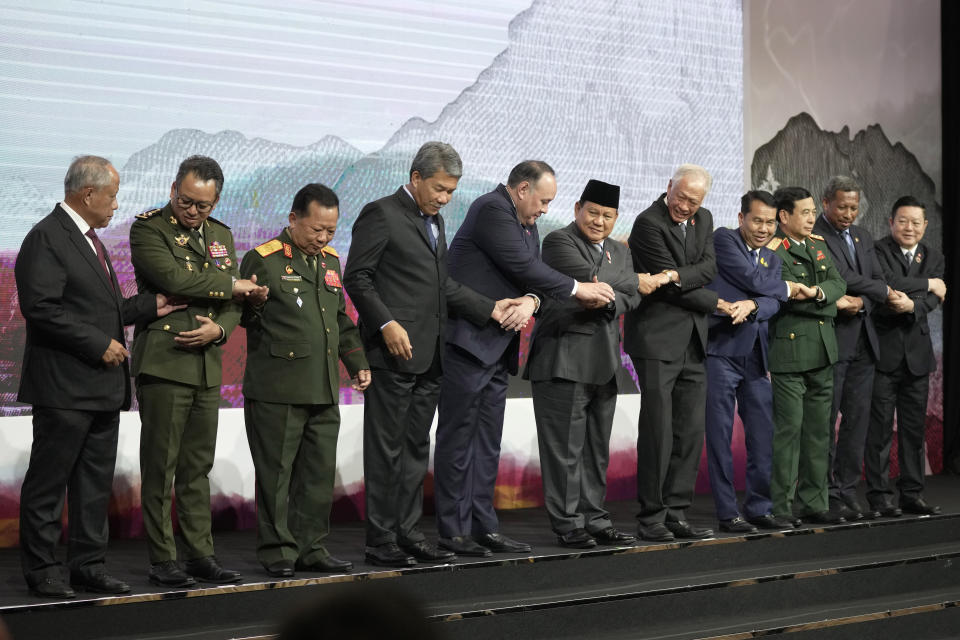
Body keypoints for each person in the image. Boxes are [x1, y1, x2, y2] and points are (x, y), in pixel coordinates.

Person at [343, 142, 517, 568]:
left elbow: (443, 287)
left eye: (451, 192)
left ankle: (407, 532)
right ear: (416, 177)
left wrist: (489, 308)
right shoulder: (381, 213)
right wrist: (385, 323)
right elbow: (358, 277)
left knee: (415, 448)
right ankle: (380, 539)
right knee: (387, 449)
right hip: (393, 354)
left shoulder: (435, 221)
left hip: (432, 356)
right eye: (439, 189)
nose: (444, 198)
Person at [16, 156, 182, 598]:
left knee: (93, 487)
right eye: (111, 197)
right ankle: (43, 570)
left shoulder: (91, 241)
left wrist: (151, 306)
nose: (115, 206)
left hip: (101, 391)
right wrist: (96, 343)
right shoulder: (47, 238)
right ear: (87, 194)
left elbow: (99, 310)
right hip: (65, 388)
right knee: (49, 485)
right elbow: (42, 308)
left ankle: (87, 565)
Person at [433, 161, 616, 557]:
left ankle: (484, 527)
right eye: (543, 200)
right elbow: (524, 266)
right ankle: (453, 531)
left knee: (487, 443)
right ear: (521, 189)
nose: (546, 209)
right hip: (468, 343)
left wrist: (533, 300)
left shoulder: (526, 223)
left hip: (498, 349)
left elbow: (535, 276)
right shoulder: (491, 209)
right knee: (458, 440)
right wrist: (577, 288)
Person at [130, 155, 267, 587]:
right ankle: (162, 558)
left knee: (196, 467)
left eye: (203, 206)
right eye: (187, 201)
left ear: (216, 201)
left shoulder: (221, 234)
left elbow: (232, 305)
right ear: (173, 190)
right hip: (166, 359)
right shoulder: (149, 228)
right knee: (160, 466)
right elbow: (173, 279)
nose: (193, 211)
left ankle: (199, 554)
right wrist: (232, 284)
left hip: (207, 363)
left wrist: (221, 332)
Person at [240, 183, 371, 578]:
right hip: (277, 388)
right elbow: (242, 318)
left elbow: (340, 321)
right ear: (294, 219)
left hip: (323, 386)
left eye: (330, 231)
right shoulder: (262, 259)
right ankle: (277, 550)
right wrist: (254, 306)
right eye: (316, 229)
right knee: (277, 477)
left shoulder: (330, 261)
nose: (323, 238)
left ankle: (310, 546)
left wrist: (357, 363)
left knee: (317, 475)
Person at [525, 179, 652, 548]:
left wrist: (612, 293)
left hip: (605, 362)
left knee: (596, 450)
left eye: (608, 216)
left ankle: (595, 518)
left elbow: (629, 294)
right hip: (562, 359)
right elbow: (600, 282)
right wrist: (622, 284)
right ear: (577, 207)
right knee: (565, 450)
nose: (599, 221)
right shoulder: (558, 241)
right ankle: (568, 524)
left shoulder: (619, 250)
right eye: (593, 212)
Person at [624, 164, 726, 542]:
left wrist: (677, 275)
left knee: (689, 431)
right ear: (669, 187)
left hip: (694, 341)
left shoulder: (705, 219)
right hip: (656, 339)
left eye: (693, 201)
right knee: (658, 431)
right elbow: (666, 287)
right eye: (681, 196)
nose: (685, 206)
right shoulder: (647, 223)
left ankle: (677, 512)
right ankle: (652, 516)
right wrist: (716, 302)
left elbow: (709, 267)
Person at [703, 191, 804, 534]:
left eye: (770, 222)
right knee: (719, 436)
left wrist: (755, 306)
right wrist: (783, 290)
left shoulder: (772, 259)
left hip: (757, 356)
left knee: (763, 436)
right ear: (741, 217)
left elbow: (773, 304)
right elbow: (755, 282)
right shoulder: (723, 239)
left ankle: (760, 508)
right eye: (757, 220)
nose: (763, 228)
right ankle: (728, 512)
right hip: (721, 351)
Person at [767, 186, 849, 525]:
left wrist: (816, 293)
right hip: (789, 351)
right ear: (784, 217)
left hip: (823, 348)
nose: (813, 217)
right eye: (805, 212)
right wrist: (822, 297)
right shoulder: (774, 250)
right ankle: (782, 506)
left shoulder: (817, 244)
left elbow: (839, 284)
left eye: (814, 211)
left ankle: (814, 502)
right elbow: (785, 295)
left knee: (819, 431)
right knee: (789, 431)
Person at [813, 177, 890, 521]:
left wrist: (866, 301)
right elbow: (840, 278)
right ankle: (826, 493)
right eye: (842, 206)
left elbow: (876, 278)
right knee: (825, 425)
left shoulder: (863, 236)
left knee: (856, 423)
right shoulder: (816, 235)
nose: (848, 214)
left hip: (864, 345)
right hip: (832, 342)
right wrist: (879, 292)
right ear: (825, 202)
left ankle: (847, 490)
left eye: (854, 208)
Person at [865, 196, 946, 516]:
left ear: (925, 226)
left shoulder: (934, 255)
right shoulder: (878, 250)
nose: (909, 227)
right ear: (891, 222)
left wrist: (914, 304)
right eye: (903, 221)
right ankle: (879, 497)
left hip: (917, 355)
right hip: (883, 354)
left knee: (913, 432)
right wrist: (930, 285)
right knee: (880, 430)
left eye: (916, 222)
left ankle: (912, 494)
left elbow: (931, 301)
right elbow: (889, 283)